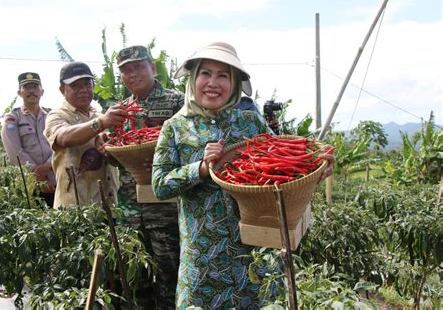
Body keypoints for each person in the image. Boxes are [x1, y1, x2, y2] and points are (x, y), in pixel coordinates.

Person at [151, 42, 334, 308]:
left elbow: (285, 172)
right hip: (203, 256)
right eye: (206, 73)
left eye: (223, 76)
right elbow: (160, 186)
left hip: (254, 250)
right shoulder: (175, 128)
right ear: (193, 79)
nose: (213, 82)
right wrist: (200, 168)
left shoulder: (250, 122)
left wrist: (316, 169)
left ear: (234, 84)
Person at [110, 45, 183, 309]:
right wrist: (104, 146)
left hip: (164, 204)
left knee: (168, 272)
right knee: (135, 274)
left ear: (152, 67)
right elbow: (114, 156)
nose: (133, 74)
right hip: (130, 206)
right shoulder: (119, 110)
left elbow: (187, 144)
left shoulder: (177, 101)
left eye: (138, 67)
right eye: (126, 70)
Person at [44, 62, 129, 209]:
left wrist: (108, 143)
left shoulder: (99, 114)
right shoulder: (57, 115)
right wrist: (100, 123)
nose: (83, 90)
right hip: (75, 209)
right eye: (75, 85)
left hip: (108, 205)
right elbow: (64, 137)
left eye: (87, 84)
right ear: (62, 89)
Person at [1, 72, 56, 207]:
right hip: (30, 184)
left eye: (35, 87)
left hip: (56, 179)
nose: (31, 91)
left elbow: (61, 145)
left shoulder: (52, 116)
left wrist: (48, 165)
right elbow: (15, 152)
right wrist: (39, 177)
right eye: (26, 87)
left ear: (42, 91)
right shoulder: (13, 118)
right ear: (19, 92)